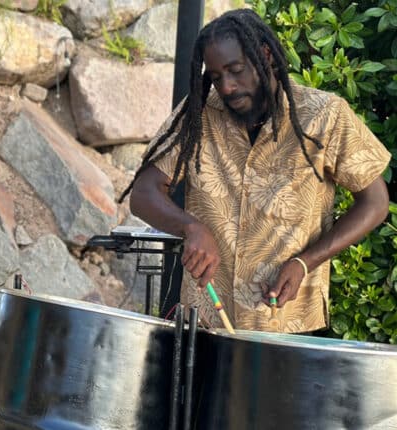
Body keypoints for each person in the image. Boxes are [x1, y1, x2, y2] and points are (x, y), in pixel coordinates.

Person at [122, 9, 391, 333]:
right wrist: (190, 227)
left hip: (291, 326)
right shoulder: (199, 113)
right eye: (217, 77)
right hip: (207, 325)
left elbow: (375, 202)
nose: (227, 87)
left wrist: (306, 262)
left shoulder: (325, 116)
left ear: (264, 56)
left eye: (236, 71)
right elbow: (143, 192)